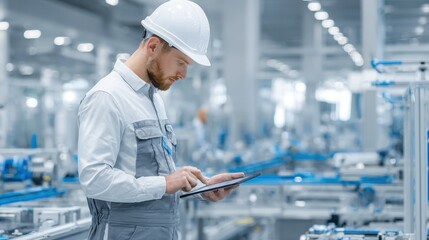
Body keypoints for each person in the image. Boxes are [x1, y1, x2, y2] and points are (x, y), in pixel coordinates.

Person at [77, 0, 244, 239]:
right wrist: (165, 183)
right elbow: (94, 179)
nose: (184, 75)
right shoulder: (107, 97)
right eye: (181, 62)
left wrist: (199, 187)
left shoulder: (153, 99)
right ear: (153, 46)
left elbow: (150, 173)